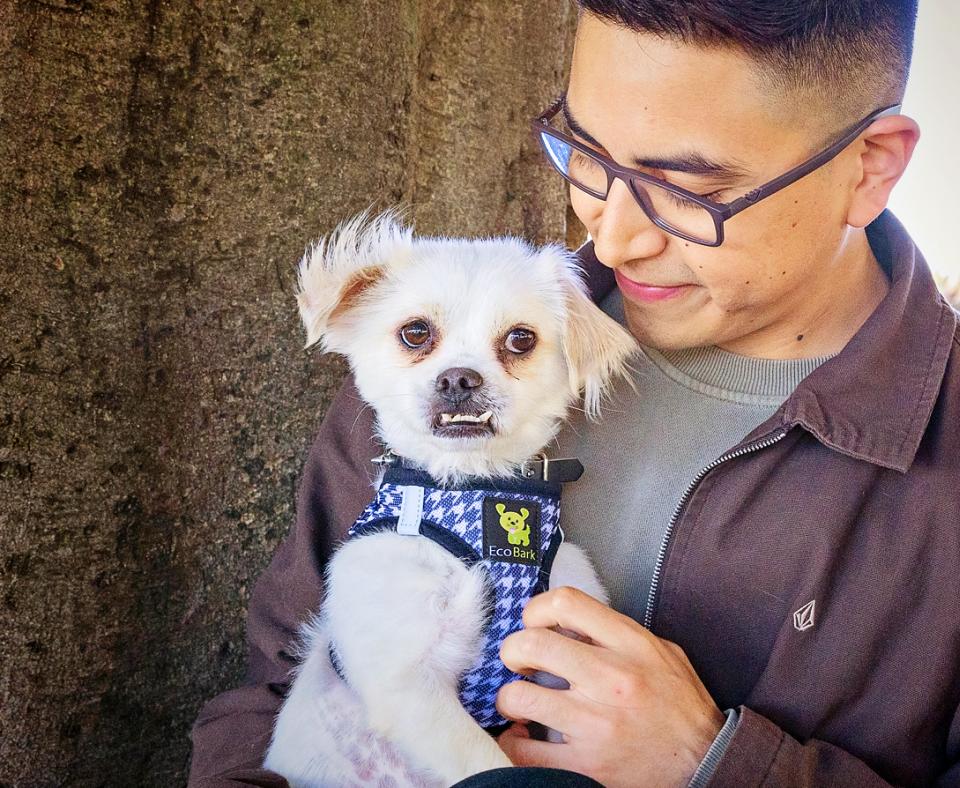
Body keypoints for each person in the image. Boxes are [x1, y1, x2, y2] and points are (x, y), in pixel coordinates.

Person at [189, 2, 960, 786]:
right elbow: (282, 691)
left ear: (869, 167)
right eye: (585, 153)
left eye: (687, 188)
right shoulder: (420, 367)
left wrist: (716, 766)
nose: (612, 235)